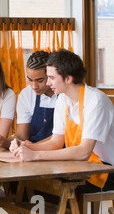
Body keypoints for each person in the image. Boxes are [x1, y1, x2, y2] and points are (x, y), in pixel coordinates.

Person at [10, 49, 114, 193]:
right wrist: (25, 147)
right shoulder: (63, 99)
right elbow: (56, 142)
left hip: (106, 170)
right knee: (24, 182)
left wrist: (36, 155)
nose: (48, 82)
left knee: (44, 188)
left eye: (51, 77)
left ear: (68, 78)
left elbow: (84, 151)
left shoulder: (95, 101)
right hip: (81, 166)